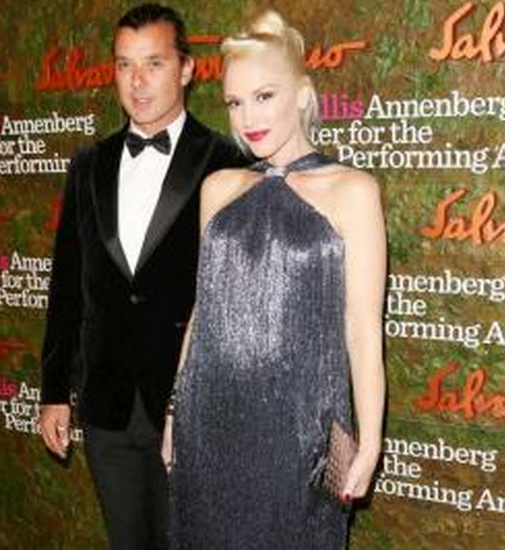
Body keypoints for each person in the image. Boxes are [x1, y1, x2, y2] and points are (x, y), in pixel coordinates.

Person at [163, 10, 387, 550]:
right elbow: (203, 313)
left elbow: (363, 333)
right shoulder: (219, 187)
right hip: (208, 422)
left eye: (264, 96)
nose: (248, 118)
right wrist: (173, 414)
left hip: (305, 433)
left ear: (302, 94)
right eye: (235, 102)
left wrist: (370, 441)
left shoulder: (353, 191)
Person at [38, 4, 246, 549]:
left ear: (187, 69)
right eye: (124, 64)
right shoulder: (88, 165)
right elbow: (67, 285)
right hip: (106, 404)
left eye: (154, 63)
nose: (137, 81)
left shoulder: (227, 162)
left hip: (192, 406)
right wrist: (54, 392)